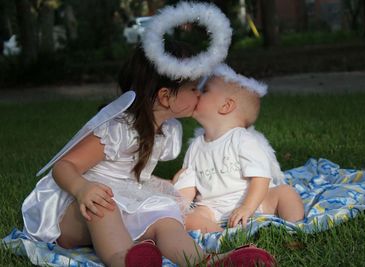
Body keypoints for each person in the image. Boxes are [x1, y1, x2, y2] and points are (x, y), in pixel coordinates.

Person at [21, 44, 276, 267]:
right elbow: (64, 166)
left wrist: (164, 185)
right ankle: (125, 260)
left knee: (165, 218)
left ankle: (205, 261)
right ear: (166, 97)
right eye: (193, 88)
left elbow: (132, 174)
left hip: (121, 200)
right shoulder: (117, 129)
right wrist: (82, 189)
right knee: (105, 206)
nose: (198, 94)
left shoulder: (167, 131)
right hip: (76, 214)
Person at [173, 64, 305, 233]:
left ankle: (295, 227)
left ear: (226, 106)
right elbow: (189, 183)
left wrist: (247, 207)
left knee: (286, 193)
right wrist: (180, 205)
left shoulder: (242, 139)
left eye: (204, 90)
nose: (197, 93)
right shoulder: (196, 146)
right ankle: (221, 237)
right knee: (189, 219)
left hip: (255, 201)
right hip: (211, 208)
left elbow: (260, 178)